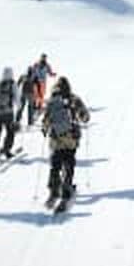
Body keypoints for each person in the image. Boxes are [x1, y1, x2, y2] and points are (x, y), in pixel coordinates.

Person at [42, 76, 90, 208]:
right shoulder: (74, 99)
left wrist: (45, 130)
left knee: (55, 165)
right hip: (70, 139)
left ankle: (53, 190)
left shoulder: (52, 100)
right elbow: (85, 117)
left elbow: (45, 120)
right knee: (69, 164)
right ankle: (66, 189)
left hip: (55, 139)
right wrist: (83, 119)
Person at [0, 66, 20, 163]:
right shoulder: (12, 84)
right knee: (10, 131)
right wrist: (18, 108)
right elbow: (16, 97)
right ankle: (7, 150)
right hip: (8, 112)